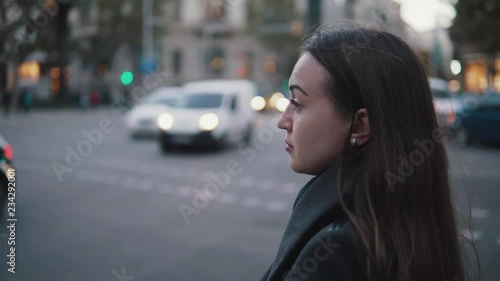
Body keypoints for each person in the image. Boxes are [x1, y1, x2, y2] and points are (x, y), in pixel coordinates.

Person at [261, 26, 479, 281]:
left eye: (297, 103)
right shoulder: (404, 222)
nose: (283, 121)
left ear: (360, 124)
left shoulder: (337, 252)